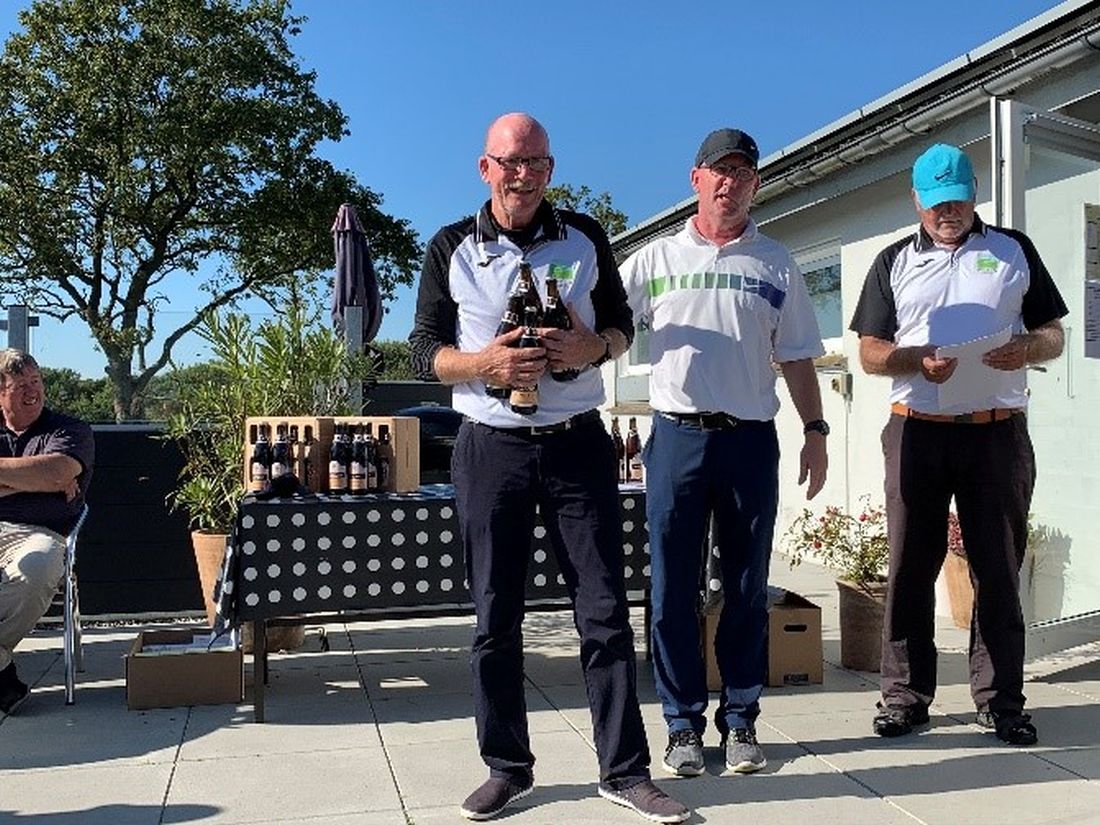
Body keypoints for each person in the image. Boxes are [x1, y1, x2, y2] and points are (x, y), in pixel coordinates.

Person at [409, 113, 689, 824]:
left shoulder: (585, 236)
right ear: (485, 168)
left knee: (604, 612)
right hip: (490, 445)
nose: (523, 174)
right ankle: (507, 768)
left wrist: (592, 348)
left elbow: (622, 326)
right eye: (510, 161)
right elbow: (423, 350)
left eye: (535, 162)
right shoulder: (450, 245)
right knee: (494, 616)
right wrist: (485, 363)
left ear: (551, 168)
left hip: (576, 443)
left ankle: (624, 771)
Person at [619, 128, 829, 778]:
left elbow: (797, 357)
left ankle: (740, 720)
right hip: (676, 438)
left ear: (755, 185)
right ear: (696, 179)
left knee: (745, 587)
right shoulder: (654, 260)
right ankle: (681, 724)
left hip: (749, 441)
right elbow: (604, 328)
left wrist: (816, 431)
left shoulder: (776, 263)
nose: (730, 184)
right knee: (671, 589)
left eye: (742, 174)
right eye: (720, 171)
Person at [849, 142, 1067, 746]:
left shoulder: (1014, 250)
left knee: (998, 566)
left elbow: (1053, 334)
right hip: (916, 428)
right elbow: (869, 352)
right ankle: (904, 697)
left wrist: (1028, 348)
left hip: (996, 431)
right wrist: (915, 359)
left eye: (958, 200)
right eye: (937, 203)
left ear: (974, 195)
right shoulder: (893, 260)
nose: (949, 213)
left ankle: (1001, 701)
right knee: (909, 566)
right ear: (916, 201)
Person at [0, 349, 94, 714]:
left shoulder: (68, 430)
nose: (33, 391)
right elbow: (50, 477)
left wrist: (49, 477)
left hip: (40, 533)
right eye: (21, 384)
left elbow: (56, 472)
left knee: (38, 567)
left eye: (36, 381)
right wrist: (32, 479)